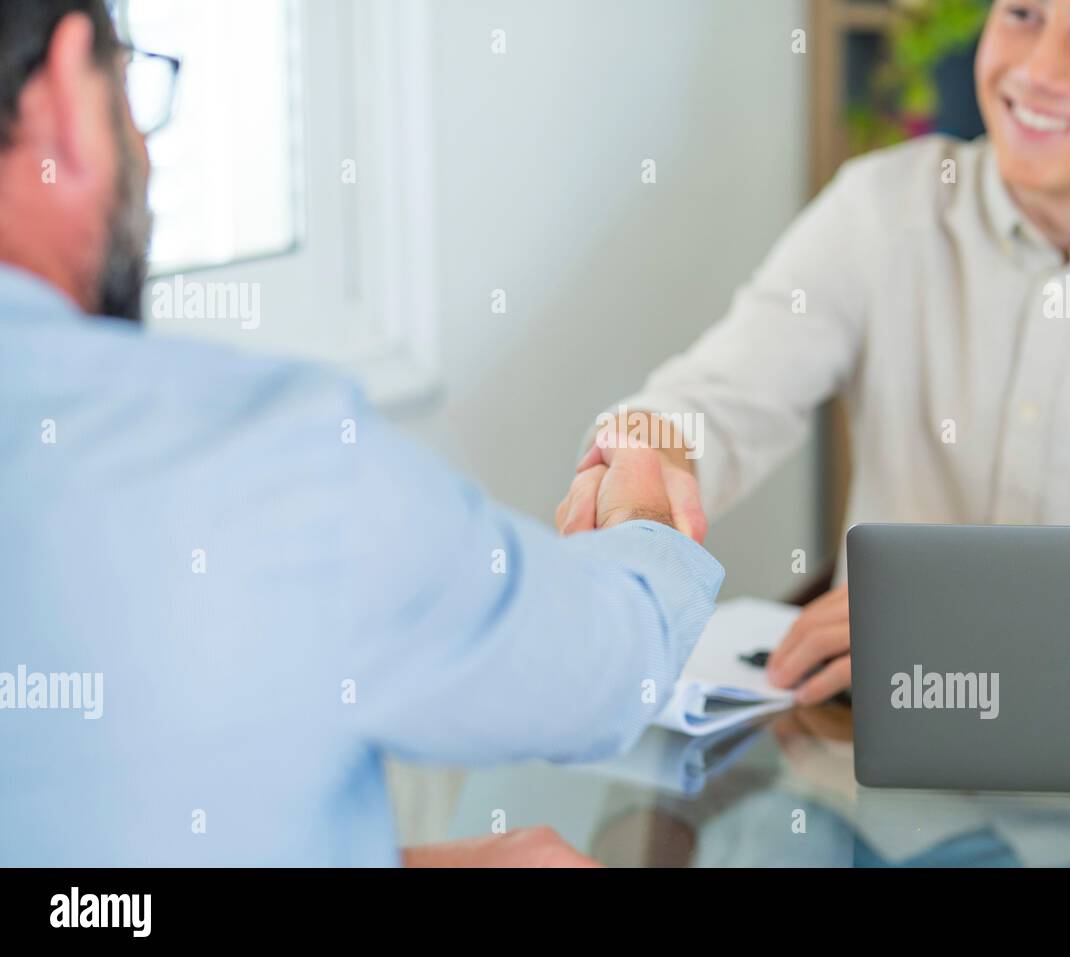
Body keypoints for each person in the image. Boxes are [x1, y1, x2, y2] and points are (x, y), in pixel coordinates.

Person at [0, 0, 722, 866]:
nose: (146, 154)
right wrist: (644, 504)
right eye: (128, 90)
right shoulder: (272, 459)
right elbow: (609, 665)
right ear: (63, 99)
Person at [558, 0, 1070, 704]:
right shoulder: (882, 210)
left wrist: (977, 639)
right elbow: (710, 403)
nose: (1038, 68)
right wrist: (641, 461)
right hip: (870, 768)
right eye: (1021, 14)